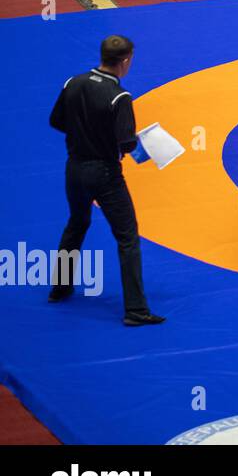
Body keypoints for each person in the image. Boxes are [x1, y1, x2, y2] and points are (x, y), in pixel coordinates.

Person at [48, 36, 164, 327]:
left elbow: (56, 121)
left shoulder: (72, 83)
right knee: (127, 237)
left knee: (76, 223)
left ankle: (60, 288)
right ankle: (136, 309)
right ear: (125, 61)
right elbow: (126, 144)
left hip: (74, 168)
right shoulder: (119, 98)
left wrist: (84, 132)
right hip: (105, 174)